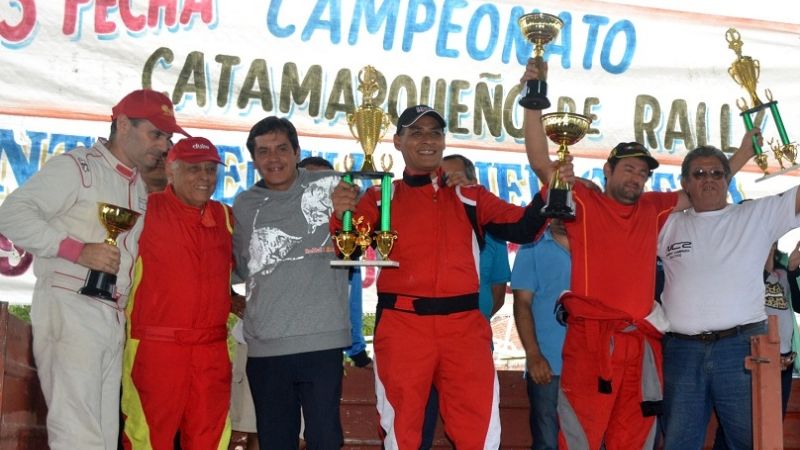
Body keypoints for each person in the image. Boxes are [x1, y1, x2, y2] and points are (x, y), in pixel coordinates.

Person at [521, 60, 755, 450]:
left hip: (640, 346)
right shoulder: (583, 201)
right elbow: (541, 163)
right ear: (608, 171)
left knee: (635, 438)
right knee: (578, 437)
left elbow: (705, 185)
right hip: (591, 342)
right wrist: (533, 99)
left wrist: (743, 153)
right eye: (628, 169)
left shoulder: (653, 207)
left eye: (642, 173)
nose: (635, 178)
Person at [331, 104, 571, 449]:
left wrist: (553, 184)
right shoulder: (379, 196)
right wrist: (342, 216)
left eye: (435, 132)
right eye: (416, 132)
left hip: (464, 327)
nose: (427, 139)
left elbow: (525, 228)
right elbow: (348, 252)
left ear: (444, 141)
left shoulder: (469, 195)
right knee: (403, 433)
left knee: (478, 432)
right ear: (398, 141)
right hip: (402, 325)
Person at [0, 89, 187, 450]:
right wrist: (76, 250)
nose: (164, 146)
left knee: (100, 435)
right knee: (77, 432)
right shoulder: (77, 166)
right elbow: (11, 214)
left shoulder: (137, 186)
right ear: (122, 124)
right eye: (156, 134)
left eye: (168, 137)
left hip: (111, 315)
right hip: (70, 304)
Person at [658, 145, 800, 450]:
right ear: (684, 183)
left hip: (742, 348)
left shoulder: (756, 215)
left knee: (751, 441)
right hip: (681, 351)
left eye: (716, 173)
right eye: (698, 174)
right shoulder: (666, 223)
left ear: (728, 179)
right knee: (678, 443)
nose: (708, 179)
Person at [232, 116, 351, 449]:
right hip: (266, 344)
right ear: (254, 159)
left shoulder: (332, 186)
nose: (274, 158)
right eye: (264, 151)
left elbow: (357, 244)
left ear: (297, 152)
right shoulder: (243, 204)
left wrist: (346, 216)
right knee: (274, 441)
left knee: (325, 440)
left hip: (322, 340)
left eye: (282, 149)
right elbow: (242, 266)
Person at [121, 137, 232, 449]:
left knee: (210, 440)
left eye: (211, 170)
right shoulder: (143, 210)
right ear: (171, 171)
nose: (205, 177)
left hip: (211, 350)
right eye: (194, 169)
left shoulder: (226, 217)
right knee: (146, 439)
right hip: (156, 348)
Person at [419, 154, 512, 449]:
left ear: (473, 182)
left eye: (459, 178)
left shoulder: (492, 231)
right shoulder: (421, 224)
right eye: (445, 179)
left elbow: (498, 292)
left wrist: (468, 318)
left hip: (473, 339)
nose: (452, 184)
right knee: (416, 424)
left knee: (474, 427)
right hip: (421, 340)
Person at [712, 240, 800, 449]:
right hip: (746, 360)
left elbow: (798, 305)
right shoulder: (736, 268)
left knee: (772, 425)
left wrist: (794, 272)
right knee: (735, 426)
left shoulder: (783, 268)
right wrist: (763, 262)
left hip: (781, 362)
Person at [298, 156, 372, 368]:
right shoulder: (276, 230)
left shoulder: (344, 239)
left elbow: (350, 303)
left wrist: (358, 354)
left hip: (324, 351)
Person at [511, 219, 570, 450]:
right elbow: (522, 303)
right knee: (546, 443)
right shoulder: (531, 246)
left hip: (592, 365)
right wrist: (533, 355)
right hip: (548, 366)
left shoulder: (596, 242)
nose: (565, 210)